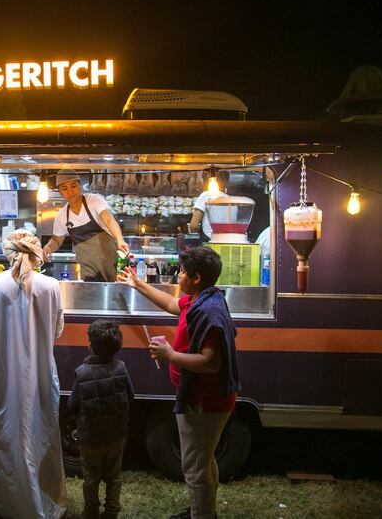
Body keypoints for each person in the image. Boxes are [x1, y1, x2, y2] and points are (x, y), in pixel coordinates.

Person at [117, 247, 241, 519]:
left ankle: (201, 515)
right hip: (199, 397)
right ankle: (204, 510)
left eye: (183, 272)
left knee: (194, 467)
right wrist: (138, 284)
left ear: (196, 277)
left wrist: (170, 354)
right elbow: (173, 305)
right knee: (204, 460)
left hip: (205, 401)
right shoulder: (199, 298)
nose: (179, 276)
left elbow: (212, 362)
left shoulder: (210, 311)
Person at [0, 229, 67, 519]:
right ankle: (42, 495)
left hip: (3, 373)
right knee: (41, 431)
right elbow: (58, 329)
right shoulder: (51, 286)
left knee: (5, 431)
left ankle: (6, 499)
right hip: (40, 373)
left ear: (9, 252)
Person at [68, 320, 134, 519]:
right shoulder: (121, 367)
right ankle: (112, 511)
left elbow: (72, 404)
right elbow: (131, 395)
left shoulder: (82, 373)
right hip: (116, 434)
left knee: (91, 477)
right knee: (114, 476)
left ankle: (91, 511)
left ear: (91, 345)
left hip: (91, 437)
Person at [42, 171, 130, 282]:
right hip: (90, 272)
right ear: (60, 192)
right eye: (64, 189)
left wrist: (120, 240)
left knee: (120, 295)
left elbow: (108, 219)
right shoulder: (62, 215)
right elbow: (56, 240)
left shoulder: (93, 200)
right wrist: (48, 247)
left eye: (73, 186)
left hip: (115, 265)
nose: (70, 191)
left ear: (80, 185)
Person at [189, 170, 229, 242]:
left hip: (209, 239)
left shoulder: (206, 195)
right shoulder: (230, 199)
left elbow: (193, 225)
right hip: (226, 240)